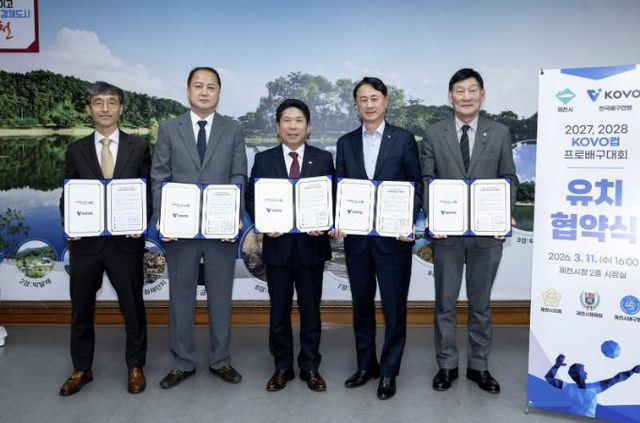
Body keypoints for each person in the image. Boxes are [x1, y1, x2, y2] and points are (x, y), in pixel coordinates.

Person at [419, 68, 518, 394]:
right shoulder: (434, 133)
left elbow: (509, 178)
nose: (466, 97)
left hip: (487, 236)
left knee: (481, 305)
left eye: (472, 90)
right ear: (450, 97)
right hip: (447, 235)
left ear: (482, 95)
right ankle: (446, 365)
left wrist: (504, 214)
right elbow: (427, 179)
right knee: (445, 304)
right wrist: (432, 215)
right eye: (459, 91)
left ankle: (479, 366)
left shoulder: (500, 132)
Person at [151, 67, 247, 388]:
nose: (204, 92)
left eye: (211, 87)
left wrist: (234, 213)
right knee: (181, 297)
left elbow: (238, 174)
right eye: (198, 86)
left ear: (219, 92)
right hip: (180, 230)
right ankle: (183, 361)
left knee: (220, 296)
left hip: (221, 230)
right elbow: (160, 175)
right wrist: (163, 216)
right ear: (188, 90)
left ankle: (220, 360)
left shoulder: (233, 129)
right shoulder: (169, 128)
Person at [58, 81, 150, 396]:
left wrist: (142, 220)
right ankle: (81, 368)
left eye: (111, 102)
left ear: (120, 108)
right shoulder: (76, 150)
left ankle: (135, 366)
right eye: (98, 102)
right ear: (89, 109)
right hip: (86, 244)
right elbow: (68, 193)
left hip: (126, 242)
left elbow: (146, 191)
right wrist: (69, 223)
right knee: (81, 309)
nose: (105, 108)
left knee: (133, 307)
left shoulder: (139, 146)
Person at [334, 77, 422, 400]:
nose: (369, 104)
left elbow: (415, 185)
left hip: (393, 240)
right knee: (361, 306)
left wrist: (407, 219)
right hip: (357, 240)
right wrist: (339, 218)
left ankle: (388, 371)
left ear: (385, 101)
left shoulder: (404, 139)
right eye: (363, 99)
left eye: (374, 98)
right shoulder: (345, 143)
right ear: (356, 105)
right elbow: (340, 186)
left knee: (394, 308)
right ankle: (365, 365)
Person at [245, 99, 334, 392]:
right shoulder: (264, 159)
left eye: (299, 121)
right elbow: (251, 197)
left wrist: (326, 221)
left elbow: (333, 197)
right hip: (278, 249)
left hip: (311, 248)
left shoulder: (323, 159)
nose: (292, 126)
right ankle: (282, 367)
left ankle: (310, 367)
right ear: (277, 127)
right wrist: (264, 221)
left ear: (308, 127)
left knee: (311, 312)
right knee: (279, 313)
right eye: (287, 120)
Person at [546, 354, 640, 417]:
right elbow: (616, 379)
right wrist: (632, 371)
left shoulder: (569, 387)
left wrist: (557, 365)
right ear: (579, 373)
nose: (586, 372)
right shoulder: (593, 388)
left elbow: (549, 378)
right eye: (583, 370)